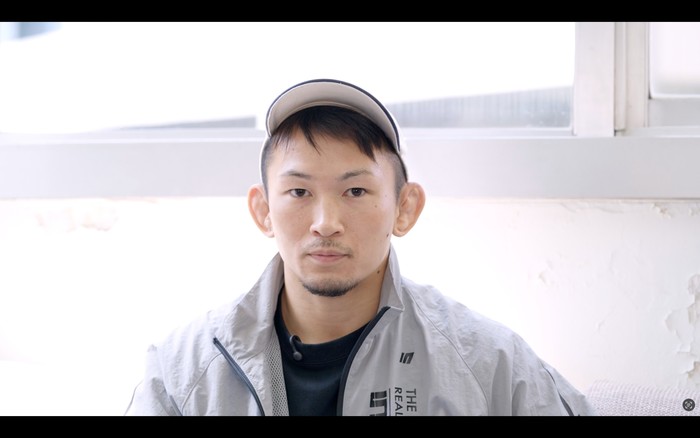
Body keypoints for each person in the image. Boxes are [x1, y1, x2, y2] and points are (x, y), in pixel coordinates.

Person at [125, 78, 597, 416]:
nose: (326, 223)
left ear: (405, 208)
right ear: (263, 210)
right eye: (299, 192)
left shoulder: (488, 363)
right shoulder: (181, 372)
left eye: (355, 191)